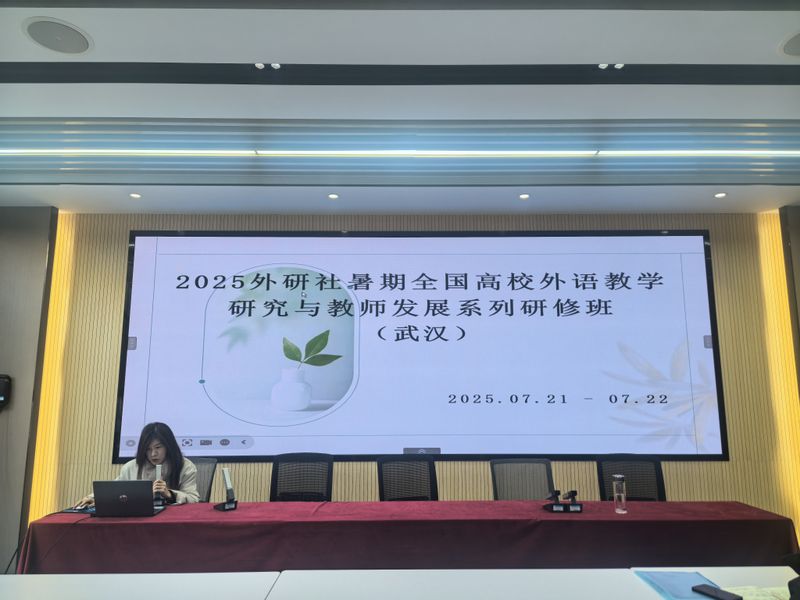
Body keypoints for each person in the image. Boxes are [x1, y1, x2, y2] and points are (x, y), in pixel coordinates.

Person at [75, 422, 199, 507]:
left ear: (168, 446)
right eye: (148, 449)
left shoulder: (185, 466)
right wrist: (94, 498)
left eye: (158, 447)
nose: (153, 454)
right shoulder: (131, 467)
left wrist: (170, 494)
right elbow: (115, 490)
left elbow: (194, 499)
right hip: (140, 519)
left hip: (173, 521)